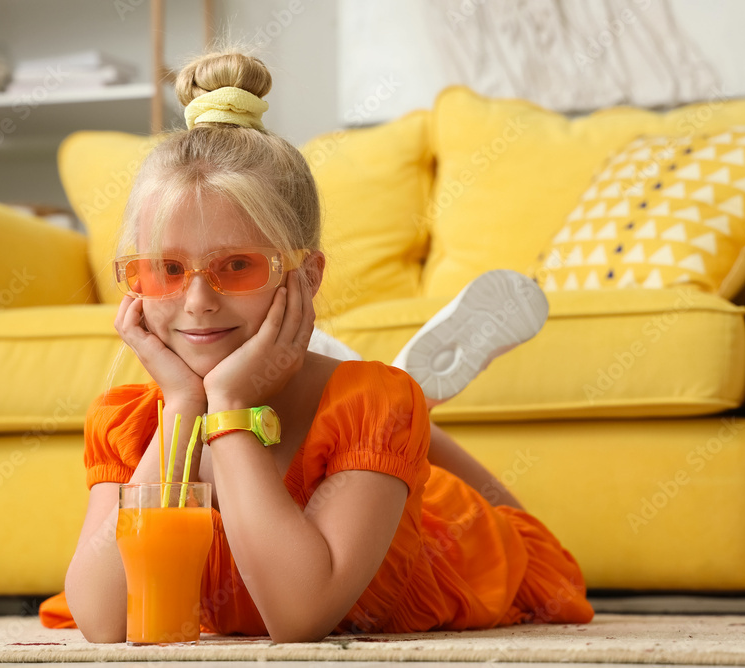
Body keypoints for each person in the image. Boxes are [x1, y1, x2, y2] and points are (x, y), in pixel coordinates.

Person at [39, 49, 593, 643]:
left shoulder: (370, 410)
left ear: (305, 277)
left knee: (385, 410)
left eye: (237, 265)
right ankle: (399, 406)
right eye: (167, 269)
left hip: (452, 541)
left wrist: (226, 407)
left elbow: (298, 616)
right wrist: (180, 409)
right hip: (353, 438)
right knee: (379, 407)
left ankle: (401, 405)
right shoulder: (131, 421)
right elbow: (102, 620)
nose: (197, 301)